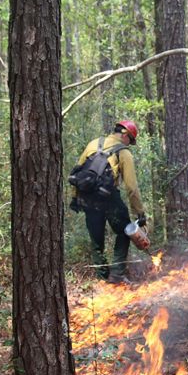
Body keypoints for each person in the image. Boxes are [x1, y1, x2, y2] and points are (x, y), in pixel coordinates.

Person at [69, 120, 147, 284]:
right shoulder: (123, 152)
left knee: (96, 240)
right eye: (130, 140)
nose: (130, 144)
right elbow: (132, 187)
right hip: (109, 198)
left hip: (87, 197)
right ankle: (117, 275)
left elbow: (77, 171)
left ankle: (101, 278)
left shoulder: (93, 144)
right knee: (125, 231)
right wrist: (139, 213)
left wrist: (75, 198)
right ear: (124, 134)